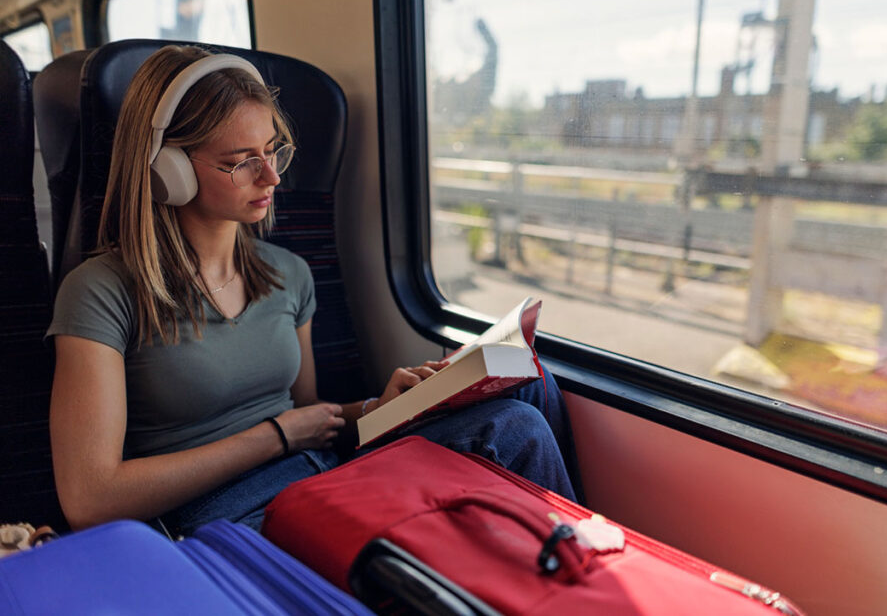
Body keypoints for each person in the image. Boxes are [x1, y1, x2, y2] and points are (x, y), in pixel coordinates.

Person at [48, 45, 578, 538]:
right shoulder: (100, 292)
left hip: (321, 472)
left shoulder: (287, 273)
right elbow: (90, 497)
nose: (272, 178)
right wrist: (275, 437)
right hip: (227, 517)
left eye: (273, 151)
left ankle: (566, 576)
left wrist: (376, 407)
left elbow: (311, 416)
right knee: (514, 431)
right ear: (170, 171)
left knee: (527, 388)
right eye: (241, 161)